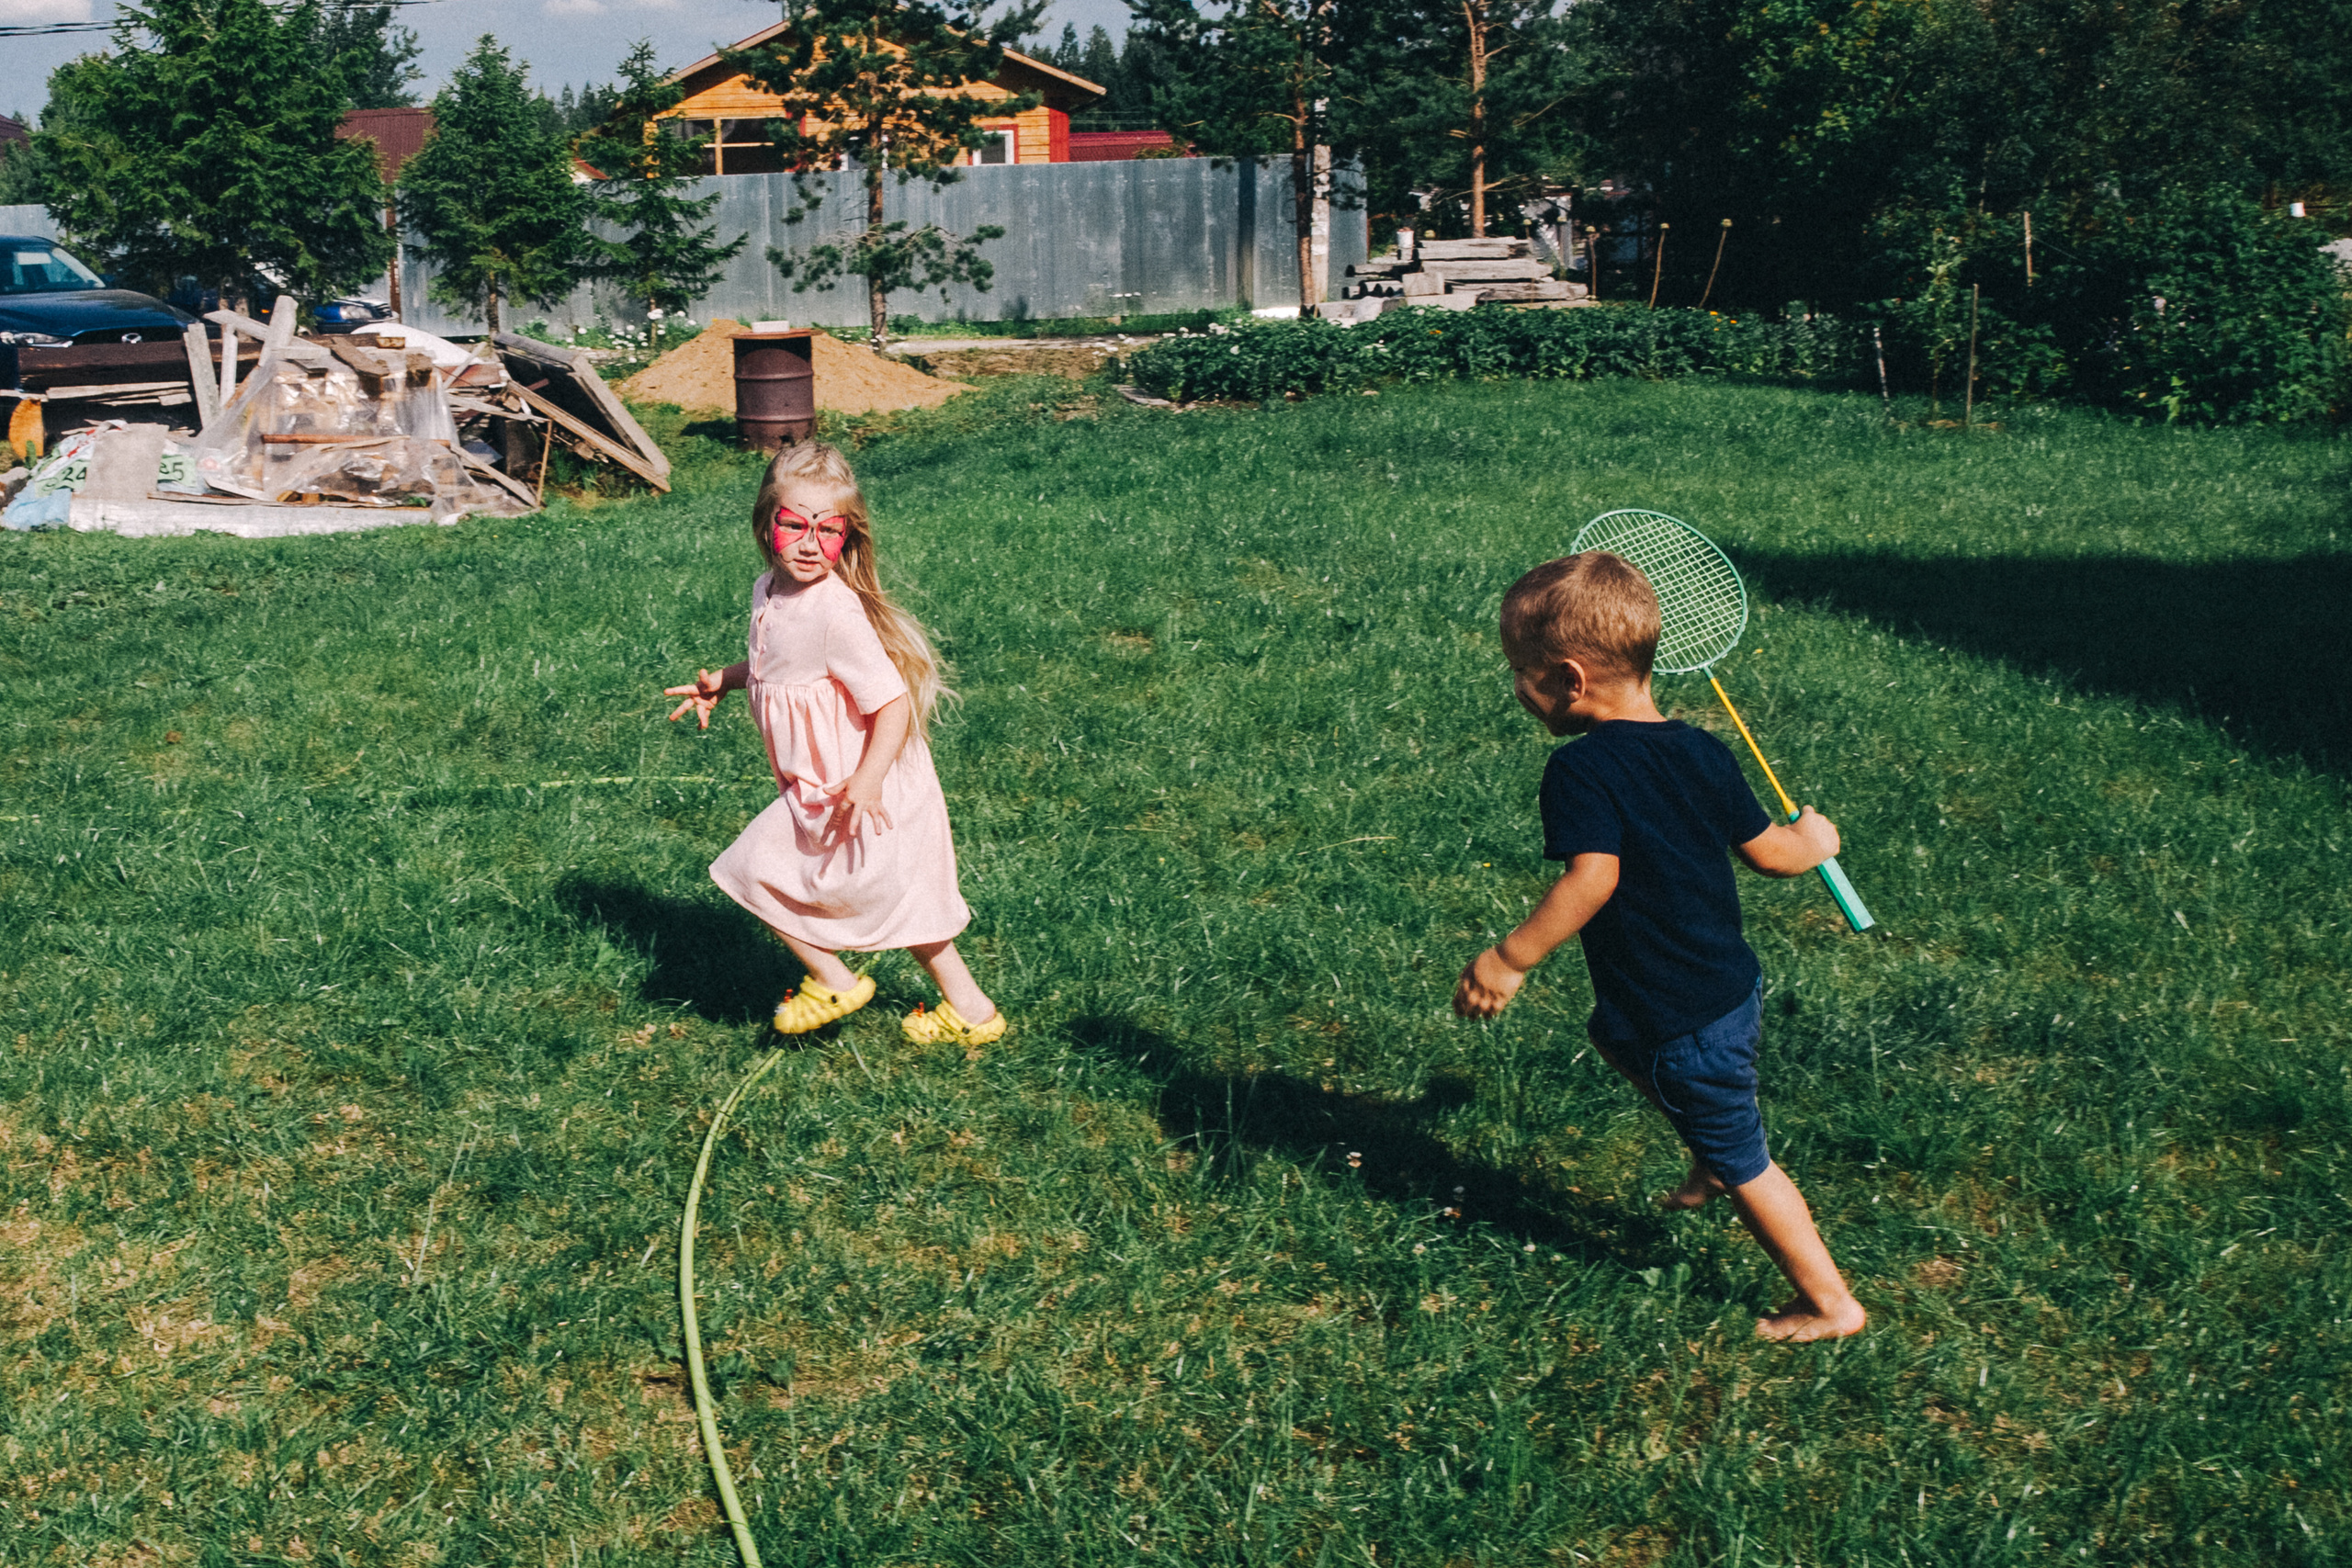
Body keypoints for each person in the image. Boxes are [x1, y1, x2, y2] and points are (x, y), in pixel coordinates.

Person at [1453, 552, 1865, 1343]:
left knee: (1747, 1159)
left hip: (1684, 1013)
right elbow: (1772, 853)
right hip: (1720, 985)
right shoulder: (1703, 750)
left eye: (1521, 671)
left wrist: (1509, 958)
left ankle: (1829, 1302)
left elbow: (1592, 880)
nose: (1515, 686)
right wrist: (1814, 840)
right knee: (1610, 1033)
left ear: (1570, 679)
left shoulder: (1580, 771)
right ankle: (1708, 1153)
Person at [663, 441, 1003, 1045]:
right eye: (793, 524)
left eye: (828, 530)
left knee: (750, 868)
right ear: (767, 523)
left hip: (855, 785)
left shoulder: (835, 612)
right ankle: (974, 1011)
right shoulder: (768, 591)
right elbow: (781, 666)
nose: (808, 543)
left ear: (848, 535)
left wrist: (867, 780)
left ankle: (834, 978)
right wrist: (729, 679)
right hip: (825, 783)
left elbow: (892, 701)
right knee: (904, 900)